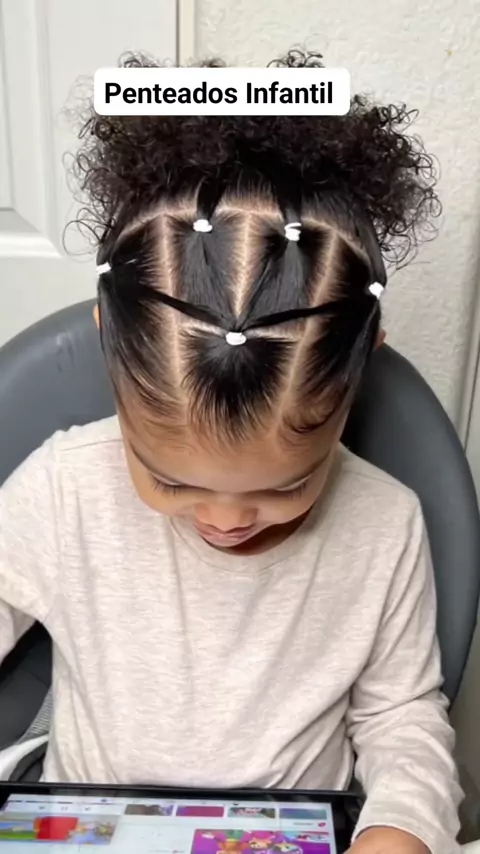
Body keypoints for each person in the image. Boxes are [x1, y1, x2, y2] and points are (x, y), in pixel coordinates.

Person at [0, 49, 463, 854]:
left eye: (286, 486)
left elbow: (402, 718)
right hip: (86, 826)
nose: (225, 520)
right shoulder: (61, 491)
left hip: (292, 832)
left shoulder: (383, 525)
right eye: (169, 480)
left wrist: (399, 830)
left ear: (361, 368)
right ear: (109, 344)